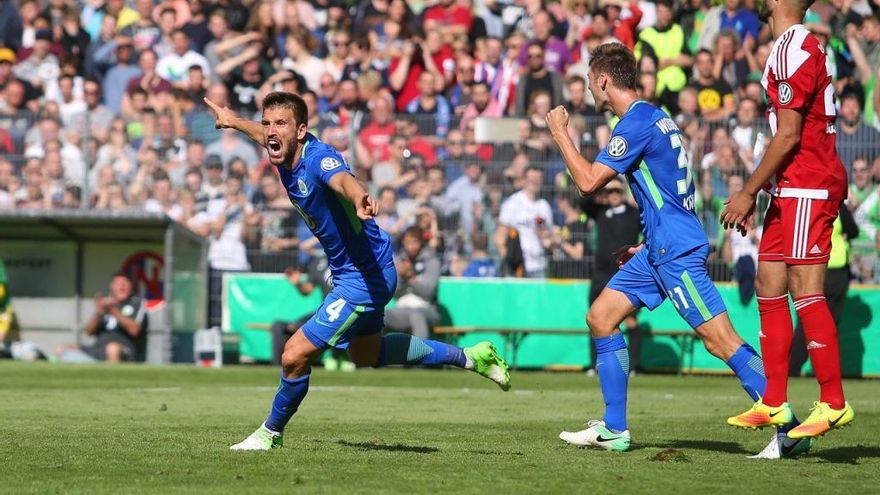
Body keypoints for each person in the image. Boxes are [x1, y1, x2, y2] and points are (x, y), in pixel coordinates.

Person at [204, 91, 510, 451]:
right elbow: (264, 135)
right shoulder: (283, 148)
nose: (271, 131)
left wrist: (359, 196)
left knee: (293, 354)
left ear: (301, 130)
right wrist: (233, 120)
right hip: (367, 270)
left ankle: (270, 433)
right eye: (268, 122)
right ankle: (470, 357)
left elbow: (343, 179)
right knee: (366, 354)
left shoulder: (319, 159)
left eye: (281, 124)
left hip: (362, 279)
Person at [546, 43, 782, 455]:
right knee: (601, 317)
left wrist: (560, 134)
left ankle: (788, 428)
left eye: (589, 83)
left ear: (603, 80)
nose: (589, 92)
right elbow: (670, 190)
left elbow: (586, 182)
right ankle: (615, 429)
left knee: (720, 340)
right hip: (659, 247)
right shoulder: (658, 118)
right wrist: (646, 243)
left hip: (674, 250)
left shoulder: (633, 123)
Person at [721, 0, 855, 444]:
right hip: (791, 183)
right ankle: (774, 399)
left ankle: (833, 401)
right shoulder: (793, 44)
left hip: (808, 182)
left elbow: (790, 134)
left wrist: (747, 191)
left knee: (804, 288)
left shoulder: (792, 46)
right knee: (768, 281)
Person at [57, 273, 148, 363]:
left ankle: (111, 377)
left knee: (112, 348)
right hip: (98, 349)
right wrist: (99, 312)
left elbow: (135, 330)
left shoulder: (136, 304)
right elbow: (88, 331)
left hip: (123, 350)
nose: (122, 287)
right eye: (118, 284)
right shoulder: (105, 304)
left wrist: (113, 311)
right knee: (62, 349)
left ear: (131, 286)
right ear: (111, 286)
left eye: (125, 284)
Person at [384, 226, 441, 340]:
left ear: (421, 242)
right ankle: (372, 356)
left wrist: (411, 278)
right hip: (402, 310)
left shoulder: (432, 261)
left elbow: (428, 293)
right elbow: (394, 295)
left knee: (416, 315)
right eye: (407, 243)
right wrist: (401, 277)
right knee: (377, 315)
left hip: (427, 311)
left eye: (414, 242)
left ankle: (420, 355)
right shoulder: (399, 261)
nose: (410, 247)